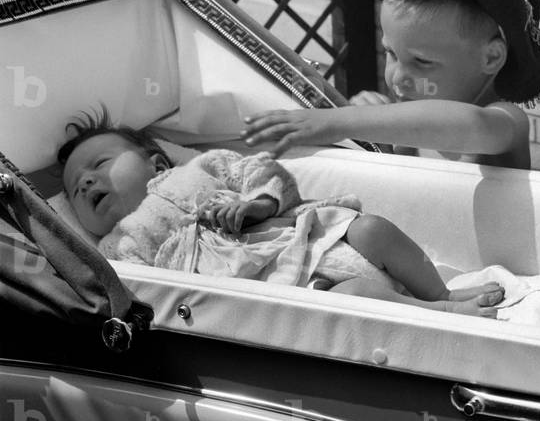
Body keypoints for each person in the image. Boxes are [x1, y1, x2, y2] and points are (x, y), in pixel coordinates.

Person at [57, 112, 503, 316]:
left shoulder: (200, 167)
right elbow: (136, 289)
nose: (88, 182)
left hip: (305, 237)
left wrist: (258, 204)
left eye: (99, 165)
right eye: (77, 189)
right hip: (277, 288)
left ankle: (438, 290)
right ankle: (437, 313)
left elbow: (265, 170)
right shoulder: (119, 243)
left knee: (374, 229)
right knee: (357, 294)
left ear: (156, 163)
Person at [240, 0, 540, 170]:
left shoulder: (505, 121)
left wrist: (335, 122)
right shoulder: (409, 133)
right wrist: (378, 137)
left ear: (491, 57)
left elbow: (470, 126)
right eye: (391, 54)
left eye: (422, 62)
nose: (398, 78)